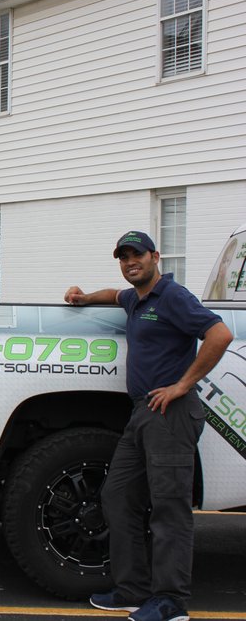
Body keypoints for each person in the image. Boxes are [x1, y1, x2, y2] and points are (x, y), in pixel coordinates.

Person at [65, 231, 232, 621]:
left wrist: (182, 385)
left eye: (136, 255)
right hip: (142, 413)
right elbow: (114, 294)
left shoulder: (172, 296)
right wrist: (84, 297)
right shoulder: (136, 298)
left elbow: (219, 334)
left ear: (155, 257)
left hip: (171, 414)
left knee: (169, 508)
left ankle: (171, 601)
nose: (130, 262)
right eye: (123, 257)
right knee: (118, 496)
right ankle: (133, 590)